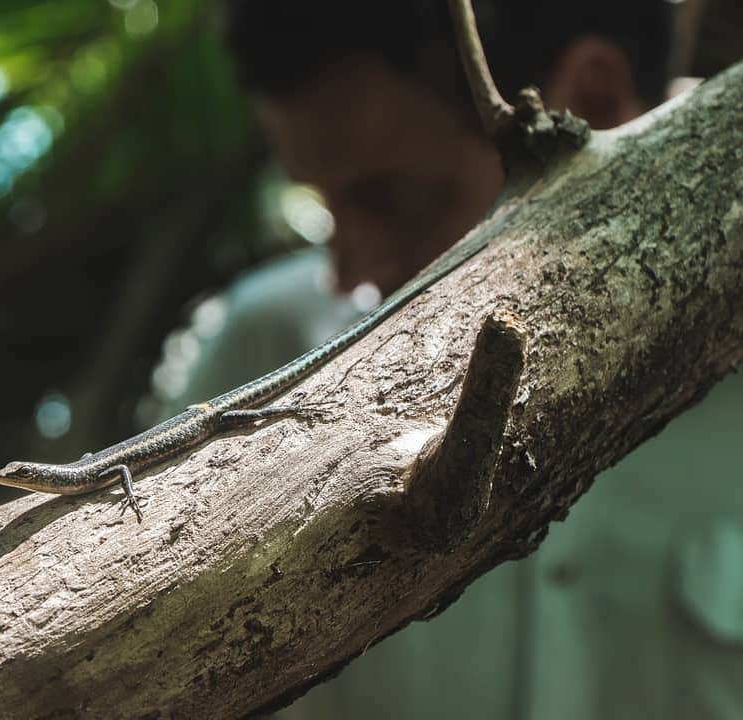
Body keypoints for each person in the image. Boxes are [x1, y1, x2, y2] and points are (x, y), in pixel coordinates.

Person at [157, 1, 743, 717]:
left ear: (588, 102)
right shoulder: (265, 357)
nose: (348, 273)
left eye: (394, 197)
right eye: (322, 205)